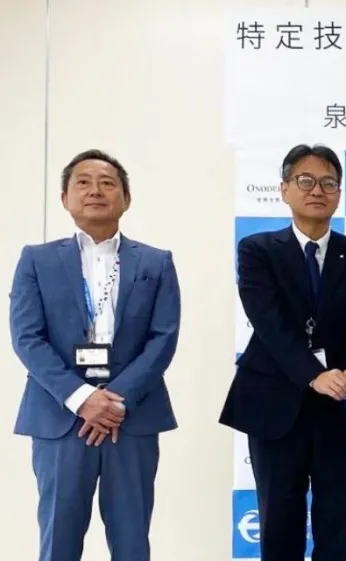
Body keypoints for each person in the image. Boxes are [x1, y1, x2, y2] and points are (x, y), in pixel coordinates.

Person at [10, 149, 181, 561]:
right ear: (65, 198)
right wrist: (83, 398)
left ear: (126, 198)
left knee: (132, 541)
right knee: (59, 541)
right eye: (83, 183)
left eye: (107, 183)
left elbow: (163, 338)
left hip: (132, 417)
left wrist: (115, 401)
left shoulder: (156, 262)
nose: (95, 191)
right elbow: (27, 338)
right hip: (60, 418)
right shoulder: (37, 259)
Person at [219, 144, 346, 561]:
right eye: (305, 180)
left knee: (337, 520)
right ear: (284, 190)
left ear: (339, 193)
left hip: (341, 403)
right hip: (275, 401)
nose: (317, 190)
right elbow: (269, 324)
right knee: (279, 519)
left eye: (328, 182)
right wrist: (314, 374)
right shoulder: (258, 250)